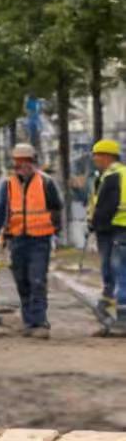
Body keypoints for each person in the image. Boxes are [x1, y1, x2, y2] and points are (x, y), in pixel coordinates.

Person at [0, 142, 63, 338]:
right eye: (19, 161)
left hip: (40, 239)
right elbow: (1, 211)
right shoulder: (8, 184)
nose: (23, 165)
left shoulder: (46, 182)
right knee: (22, 280)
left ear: (33, 162)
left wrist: (57, 231)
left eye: (26, 161)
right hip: (18, 239)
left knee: (37, 279)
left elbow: (56, 207)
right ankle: (28, 321)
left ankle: (39, 323)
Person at [88, 138, 126, 336]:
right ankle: (111, 315)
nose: (95, 159)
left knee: (118, 272)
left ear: (107, 156)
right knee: (116, 272)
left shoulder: (112, 175)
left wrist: (94, 225)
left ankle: (121, 320)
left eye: (97, 155)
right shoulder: (119, 173)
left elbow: (106, 206)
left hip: (116, 229)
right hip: (117, 228)